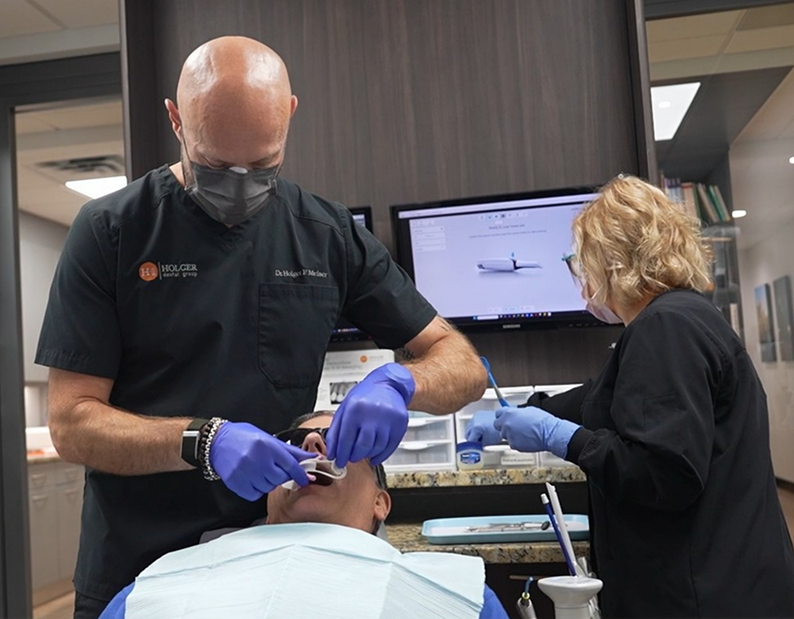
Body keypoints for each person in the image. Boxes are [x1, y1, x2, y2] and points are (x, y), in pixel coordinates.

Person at [36, 36, 486, 619]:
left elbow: (462, 363)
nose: (242, 185)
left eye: (265, 165)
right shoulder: (112, 233)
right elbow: (72, 424)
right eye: (218, 167)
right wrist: (202, 440)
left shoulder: (324, 234)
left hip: (282, 557)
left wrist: (401, 384)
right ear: (176, 120)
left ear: (290, 114)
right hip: (140, 560)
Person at [467, 175, 794, 618]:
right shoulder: (682, 317)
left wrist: (561, 437)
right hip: (731, 581)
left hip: (702, 594)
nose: (580, 278)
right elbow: (603, 398)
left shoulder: (666, 328)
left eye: (581, 262)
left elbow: (663, 473)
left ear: (612, 260)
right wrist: (526, 414)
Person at [97, 411, 509, 619]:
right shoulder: (155, 587)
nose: (312, 442)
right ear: (265, 492)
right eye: (293, 442)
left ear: (379, 504)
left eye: (342, 439)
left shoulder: (457, 594)